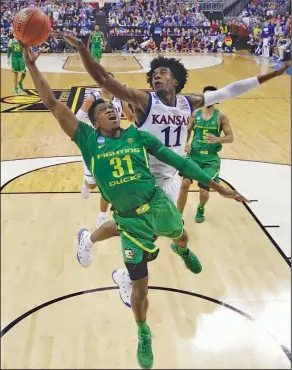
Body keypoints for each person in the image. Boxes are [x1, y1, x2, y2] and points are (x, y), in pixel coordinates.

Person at [22, 44, 248, 370]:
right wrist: (33, 66)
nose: (111, 112)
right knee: (140, 290)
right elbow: (53, 104)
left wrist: (218, 187)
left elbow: (180, 163)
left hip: (156, 204)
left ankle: (181, 251)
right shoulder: (86, 139)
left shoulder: (139, 137)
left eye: (112, 109)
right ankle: (143, 332)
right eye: (103, 111)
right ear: (94, 122)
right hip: (128, 222)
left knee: (181, 236)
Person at [59, 30, 290, 312]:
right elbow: (104, 80)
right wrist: (82, 47)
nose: (156, 75)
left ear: (176, 80)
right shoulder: (144, 101)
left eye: (163, 72)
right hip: (141, 177)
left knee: (149, 233)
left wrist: (271, 75)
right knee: (144, 232)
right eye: (154, 73)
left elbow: (230, 91)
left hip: (169, 177)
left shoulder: (186, 103)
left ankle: (104, 253)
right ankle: (121, 269)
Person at [75, 72, 135, 227]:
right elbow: (76, 120)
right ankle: (86, 182)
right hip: (94, 144)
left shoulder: (120, 99)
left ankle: (102, 216)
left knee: (110, 182)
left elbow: (129, 117)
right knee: (93, 184)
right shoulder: (92, 99)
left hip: (114, 143)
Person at [177, 86, 234, 222]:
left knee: (203, 191)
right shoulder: (195, 114)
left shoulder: (221, 116)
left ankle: (201, 206)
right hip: (194, 156)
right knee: (185, 184)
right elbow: (187, 130)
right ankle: (178, 216)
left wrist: (218, 139)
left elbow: (230, 137)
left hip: (210, 159)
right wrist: (185, 142)